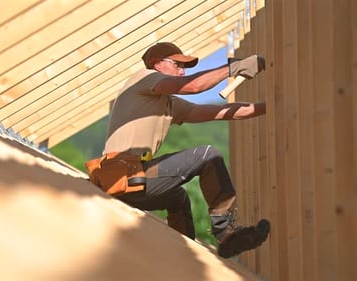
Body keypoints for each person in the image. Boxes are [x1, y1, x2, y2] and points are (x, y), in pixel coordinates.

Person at [103, 42, 270, 258]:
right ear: (157, 64)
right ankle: (226, 232)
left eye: (185, 68)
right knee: (206, 155)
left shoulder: (169, 104)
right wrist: (233, 69)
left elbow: (221, 112)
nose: (182, 72)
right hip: (119, 175)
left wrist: (268, 106)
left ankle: (183, 257)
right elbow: (194, 86)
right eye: (177, 65)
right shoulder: (143, 77)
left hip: (135, 179)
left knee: (178, 198)